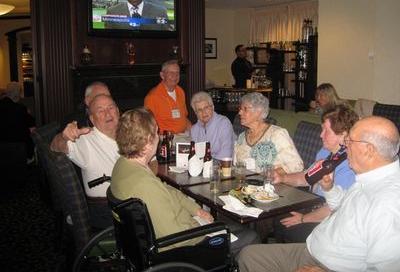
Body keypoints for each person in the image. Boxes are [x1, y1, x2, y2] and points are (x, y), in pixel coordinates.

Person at [238, 116, 400, 271]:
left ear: (368, 150)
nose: (346, 145)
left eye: (350, 141)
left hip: (329, 265)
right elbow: (340, 206)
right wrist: (329, 188)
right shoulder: (369, 177)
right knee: (247, 255)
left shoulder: (388, 203)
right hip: (314, 249)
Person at [111, 107, 260, 255]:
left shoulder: (123, 165)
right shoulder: (144, 185)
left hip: (174, 231)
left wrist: (197, 210)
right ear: (148, 142)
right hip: (183, 248)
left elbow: (168, 191)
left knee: (231, 227)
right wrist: (200, 227)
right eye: (156, 133)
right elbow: (175, 237)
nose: (159, 138)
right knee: (251, 237)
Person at [273, 104, 359, 243]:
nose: (320, 135)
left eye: (326, 131)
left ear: (343, 135)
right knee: (278, 216)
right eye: (322, 129)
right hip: (313, 203)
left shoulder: (351, 164)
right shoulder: (326, 151)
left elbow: (337, 207)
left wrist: (303, 219)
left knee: (292, 231)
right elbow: (308, 176)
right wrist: (282, 177)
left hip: (332, 217)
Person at [51, 94, 120, 229]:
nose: (107, 114)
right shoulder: (86, 140)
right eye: (100, 111)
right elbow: (54, 146)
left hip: (131, 200)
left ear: (118, 112)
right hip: (109, 211)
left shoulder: (129, 134)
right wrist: (64, 137)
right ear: (92, 119)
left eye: (111, 108)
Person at [235, 92, 303, 174]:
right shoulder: (241, 137)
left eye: (245, 109)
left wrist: (269, 174)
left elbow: (297, 166)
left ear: (258, 112)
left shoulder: (277, 134)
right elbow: (236, 166)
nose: (240, 113)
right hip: (245, 185)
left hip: (270, 185)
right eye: (240, 109)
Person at [144, 60, 191, 134]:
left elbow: (184, 118)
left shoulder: (180, 91)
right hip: (165, 139)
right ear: (162, 75)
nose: (174, 76)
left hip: (183, 135)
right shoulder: (152, 97)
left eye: (177, 73)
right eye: (171, 73)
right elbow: (147, 125)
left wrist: (195, 132)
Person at [190, 91, 235, 161]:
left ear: (212, 107)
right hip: (203, 168)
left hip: (224, 167)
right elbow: (194, 156)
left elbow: (226, 154)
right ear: (195, 113)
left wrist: (207, 164)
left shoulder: (224, 123)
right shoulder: (194, 130)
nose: (203, 112)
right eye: (199, 110)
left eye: (206, 108)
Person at [0, 82, 36, 161]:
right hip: (19, 149)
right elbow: (32, 123)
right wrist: (28, 113)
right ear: (17, 95)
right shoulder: (20, 108)